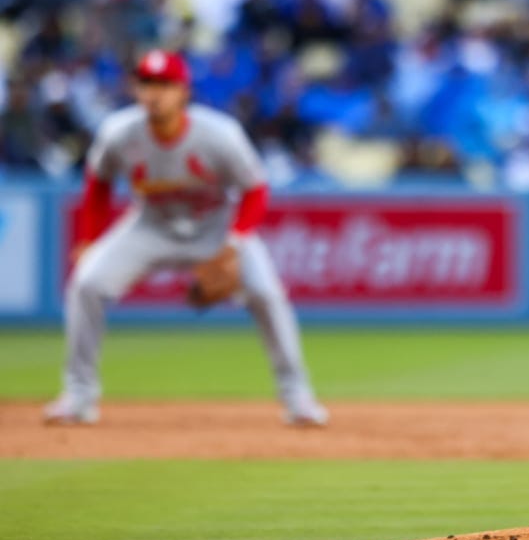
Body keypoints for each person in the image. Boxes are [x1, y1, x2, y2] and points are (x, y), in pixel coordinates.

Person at [43, 50, 327, 428]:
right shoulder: (119, 133)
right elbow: (98, 184)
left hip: (216, 226)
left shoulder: (219, 134)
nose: (155, 93)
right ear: (135, 89)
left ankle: (298, 397)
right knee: (87, 283)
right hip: (150, 225)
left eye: (165, 84)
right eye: (147, 83)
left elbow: (256, 190)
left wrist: (234, 244)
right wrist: (88, 239)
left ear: (183, 92)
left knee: (267, 294)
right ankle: (78, 397)